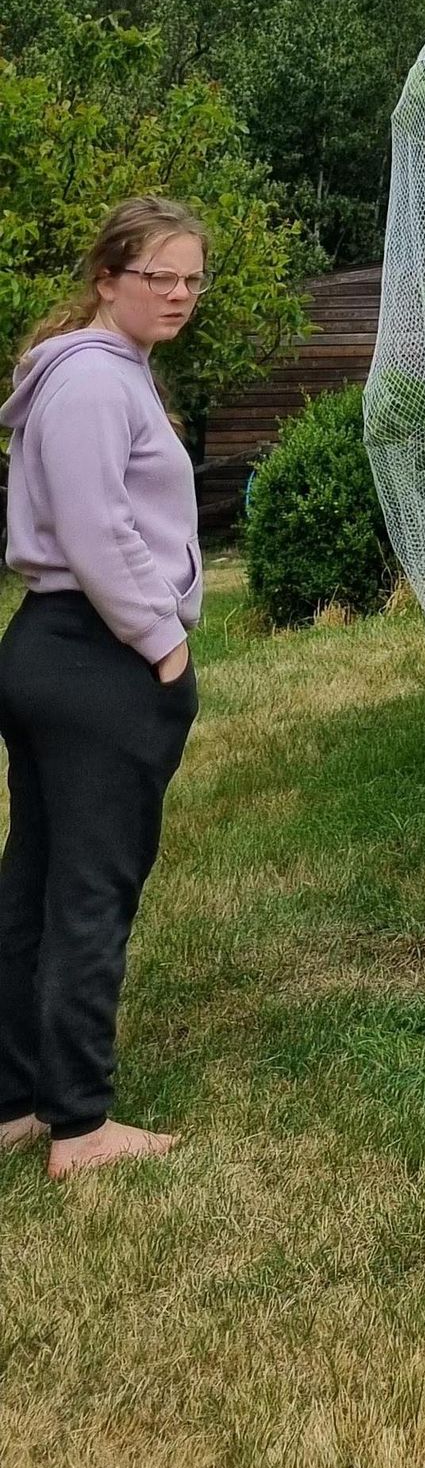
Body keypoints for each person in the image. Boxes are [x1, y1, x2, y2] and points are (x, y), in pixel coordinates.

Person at [0, 197, 208, 1178]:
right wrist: (164, 643)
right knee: (89, 892)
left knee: (38, 884)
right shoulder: (93, 380)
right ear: (107, 276)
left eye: (191, 278)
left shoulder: (100, 370)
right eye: (157, 275)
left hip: (62, 649)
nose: (177, 293)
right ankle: (80, 1125)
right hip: (96, 655)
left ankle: (17, 1102)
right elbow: (96, 530)